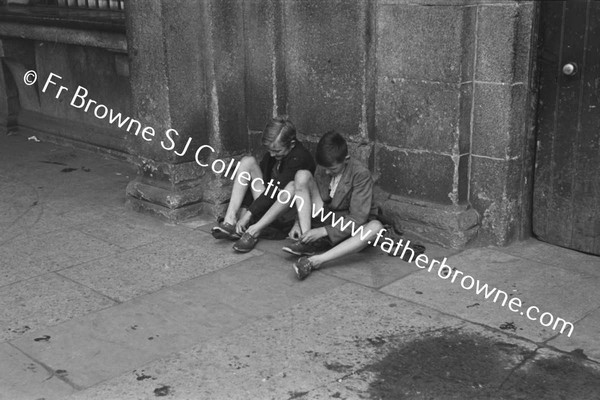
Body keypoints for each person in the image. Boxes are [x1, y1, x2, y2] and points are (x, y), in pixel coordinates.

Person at [282, 130, 384, 280]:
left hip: (349, 226)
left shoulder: (360, 174)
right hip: (327, 215)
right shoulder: (324, 167)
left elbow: (358, 218)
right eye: (325, 168)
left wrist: (324, 231)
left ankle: (316, 260)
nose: (328, 173)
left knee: (376, 227)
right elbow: (313, 197)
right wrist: (297, 222)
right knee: (302, 176)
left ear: (346, 159)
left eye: (333, 169)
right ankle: (305, 241)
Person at [211, 116, 315, 253]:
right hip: (267, 202)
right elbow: (260, 185)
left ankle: (253, 231)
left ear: (292, 144)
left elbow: (274, 192)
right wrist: (244, 210)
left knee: (290, 186)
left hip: (285, 209)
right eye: (269, 150)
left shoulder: (300, 158)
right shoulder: (273, 156)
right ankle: (230, 220)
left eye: (277, 151)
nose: (271, 154)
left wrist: (248, 215)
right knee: (247, 161)